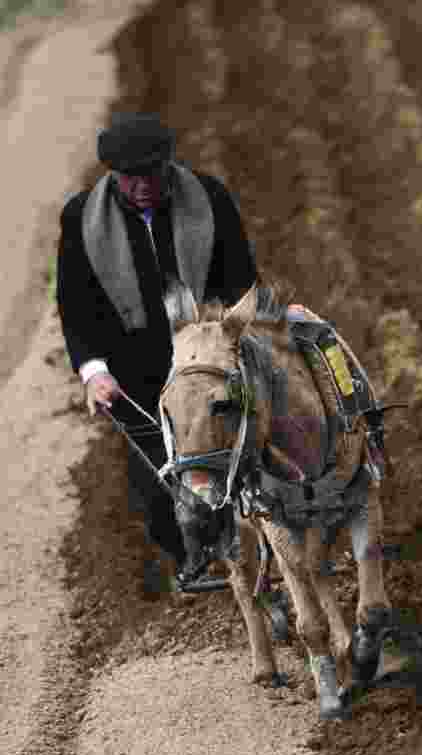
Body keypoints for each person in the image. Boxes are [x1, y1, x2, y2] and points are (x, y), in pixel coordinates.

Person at [56, 112, 258, 592]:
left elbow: (240, 278)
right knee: (159, 474)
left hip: (208, 357)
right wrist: (94, 372)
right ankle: (189, 558)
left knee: (227, 447)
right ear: (113, 175)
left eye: (152, 173)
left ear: (167, 165)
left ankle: (250, 546)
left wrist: (238, 336)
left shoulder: (208, 199)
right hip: (135, 370)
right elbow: (76, 305)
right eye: (131, 177)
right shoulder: (82, 218)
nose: (143, 185)